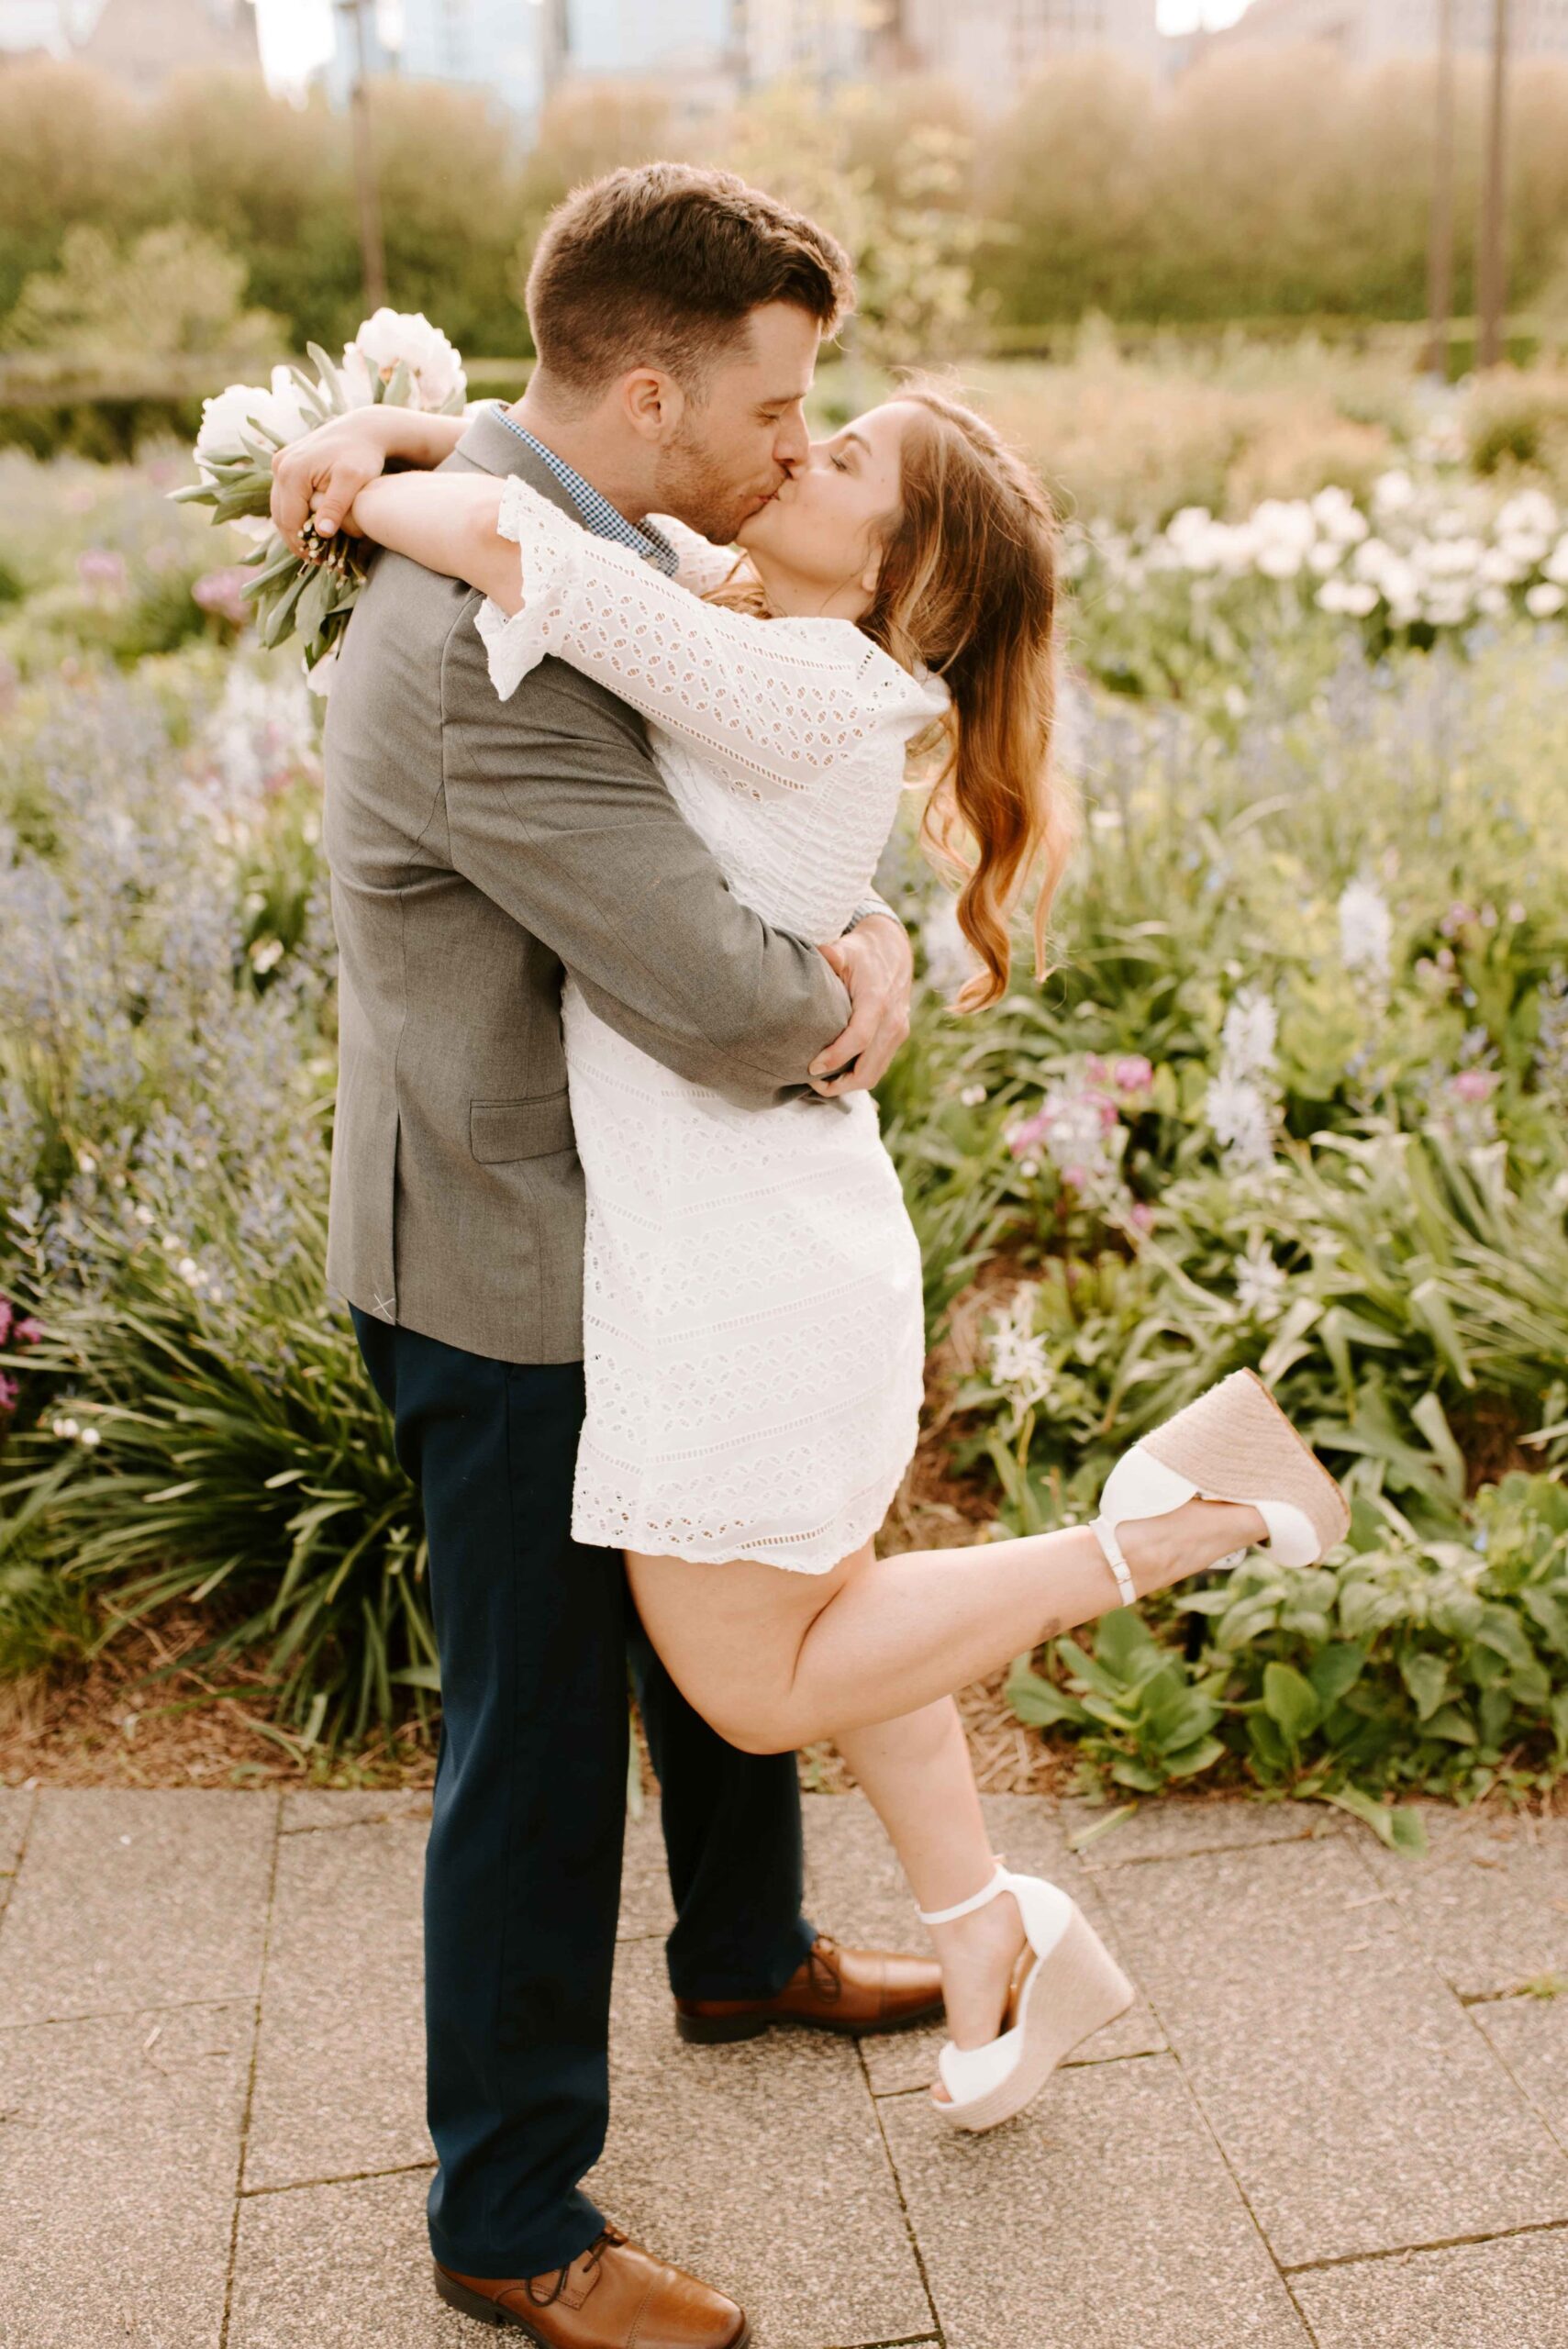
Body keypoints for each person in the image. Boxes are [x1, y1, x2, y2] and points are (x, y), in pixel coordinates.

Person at [275, 161, 1349, 2343]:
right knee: (544, 1739)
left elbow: (544, 516)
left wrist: (390, 447)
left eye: (822, 432)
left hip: (648, 1231)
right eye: (782, 410)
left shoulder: (619, 538)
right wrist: (847, 975)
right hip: (509, 1257)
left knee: (742, 1568)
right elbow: (725, 991)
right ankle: (509, 2207)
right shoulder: (518, 646)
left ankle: (746, 1953)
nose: (792, 446)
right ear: (655, 395)